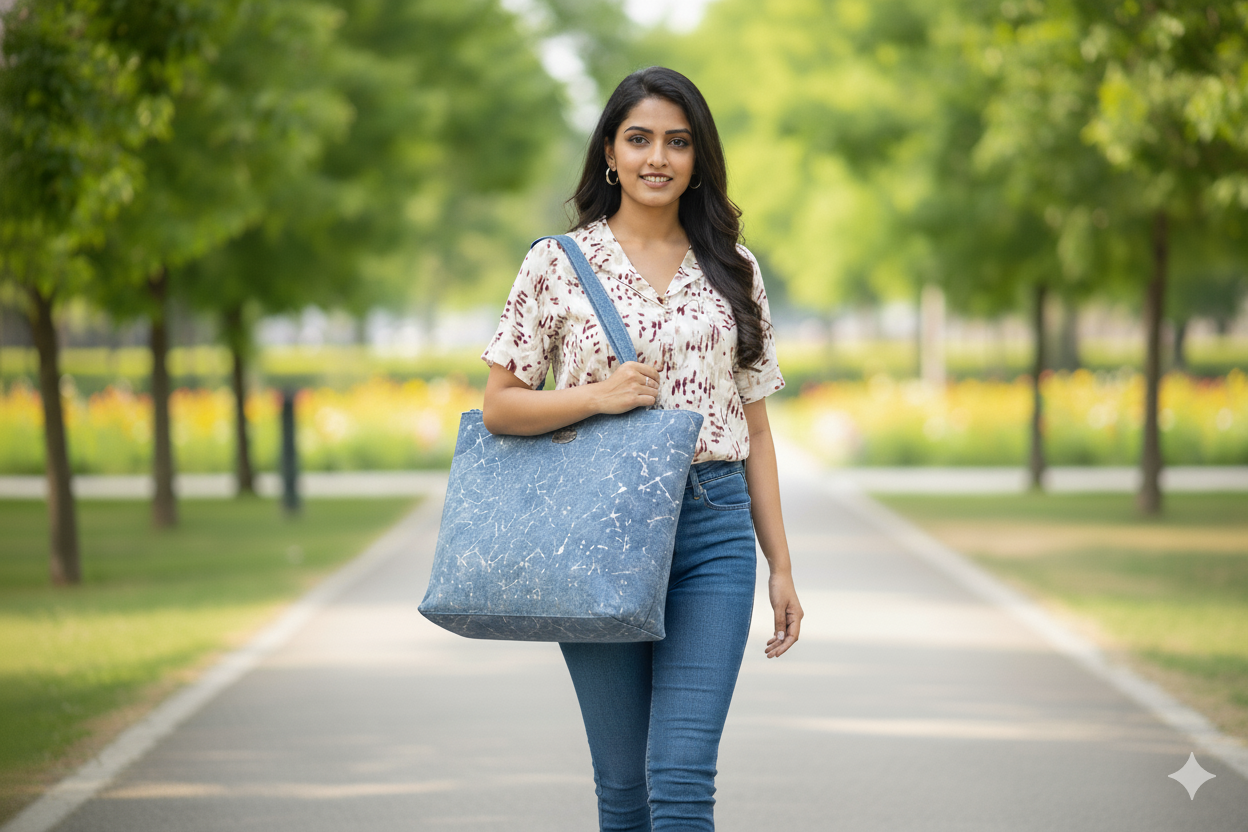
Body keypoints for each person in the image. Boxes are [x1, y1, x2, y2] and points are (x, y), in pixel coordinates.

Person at [478, 66, 803, 832]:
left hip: (712, 531)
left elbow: (755, 427)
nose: (658, 157)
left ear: (698, 159)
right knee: (624, 791)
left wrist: (780, 563)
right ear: (610, 155)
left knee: (682, 776)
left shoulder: (735, 269)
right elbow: (499, 406)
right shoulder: (555, 264)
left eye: (677, 142)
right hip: (596, 530)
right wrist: (596, 396)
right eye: (639, 139)